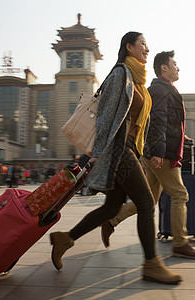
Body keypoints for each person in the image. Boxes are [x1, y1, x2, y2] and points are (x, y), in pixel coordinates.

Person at [48, 32, 181, 284]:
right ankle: (151, 264)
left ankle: (65, 239)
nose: (147, 48)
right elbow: (106, 116)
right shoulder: (121, 74)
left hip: (129, 146)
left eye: (147, 45)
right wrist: (99, 153)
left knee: (111, 207)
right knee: (145, 203)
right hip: (118, 149)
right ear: (129, 47)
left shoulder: (139, 81)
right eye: (142, 44)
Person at [101, 50, 195, 259]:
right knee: (179, 194)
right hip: (161, 154)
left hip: (157, 151)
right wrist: (159, 152)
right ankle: (180, 243)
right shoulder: (160, 90)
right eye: (174, 63)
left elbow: (167, 122)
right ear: (164, 68)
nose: (178, 67)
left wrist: (181, 138)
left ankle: (111, 220)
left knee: (148, 199)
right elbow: (157, 122)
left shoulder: (163, 89)